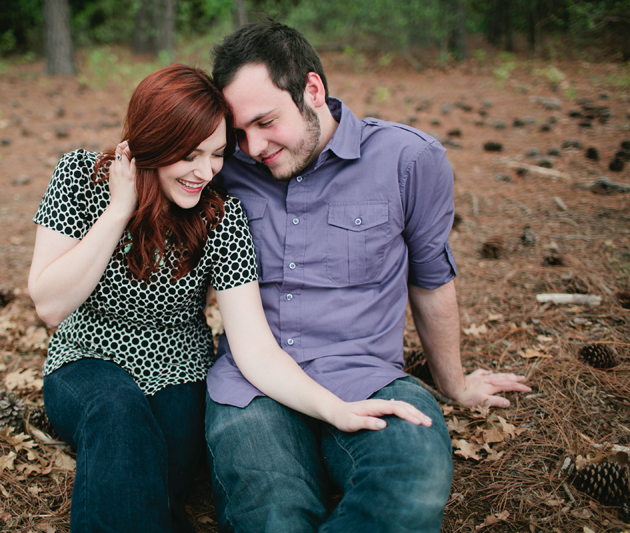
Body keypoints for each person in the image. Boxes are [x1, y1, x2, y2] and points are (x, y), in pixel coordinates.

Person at [28, 64, 433, 533]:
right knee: (117, 412)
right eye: (190, 154)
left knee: (163, 476)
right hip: (87, 359)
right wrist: (119, 210)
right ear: (153, 142)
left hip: (179, 370)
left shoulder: (219, 218)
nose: (205, 172)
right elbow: (50, 304)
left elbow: (255, 347)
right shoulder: (81, 177)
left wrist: (333, 408)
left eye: (217, 154)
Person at [205, 20, 533, 533]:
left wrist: (454, 383)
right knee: (271, 515)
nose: (254, 146)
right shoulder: (223, 168)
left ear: (312, 89)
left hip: (367, 377)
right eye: (239, 132)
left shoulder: (409, 160)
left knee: (412, 486)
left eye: (266, 121)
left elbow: (431, 280)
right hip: (254, 387)